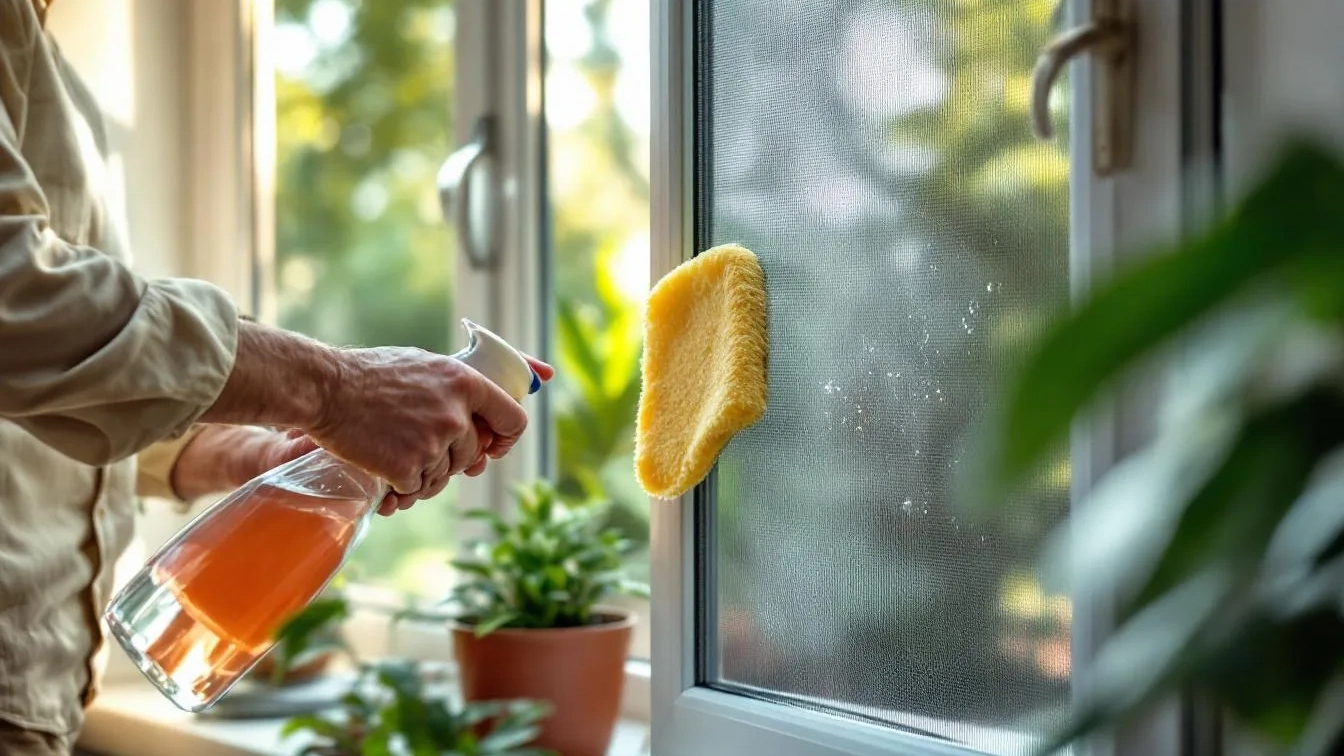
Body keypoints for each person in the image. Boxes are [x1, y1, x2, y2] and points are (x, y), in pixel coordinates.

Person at [0, 1, 554, 752]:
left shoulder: (43, 55)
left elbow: (44, 379)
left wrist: (240, 456)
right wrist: (337, 389)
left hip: (41, 696)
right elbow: (16, 296)